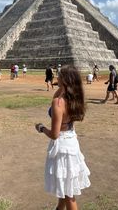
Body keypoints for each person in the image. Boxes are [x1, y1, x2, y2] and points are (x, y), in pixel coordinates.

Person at [35, 65, 90, 210]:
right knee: (64, 190)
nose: (56, 77)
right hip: (71, 142)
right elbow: (57, 96)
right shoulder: (74, 99)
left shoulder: (59, 103)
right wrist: (63, 86)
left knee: (69, 196)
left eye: (59, 75)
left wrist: (41, 128)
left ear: (64, 80)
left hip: (63, 148)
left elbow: (54, 134)